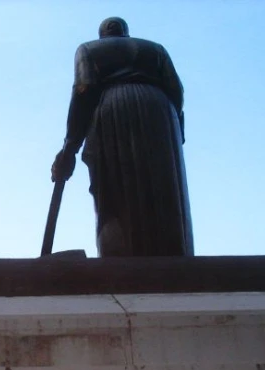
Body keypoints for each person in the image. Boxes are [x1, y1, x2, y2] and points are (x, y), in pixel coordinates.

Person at [51, 17, 193, 257]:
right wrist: (176, 126)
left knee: (115, 185)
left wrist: (70, 148)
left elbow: (83, 91)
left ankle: (119, 253)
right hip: (159, 111)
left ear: (102, 34)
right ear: (125, 33)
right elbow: (176, 91)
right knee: (162, 183)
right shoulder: (155, 49)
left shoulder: (88, 49)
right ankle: (171, 253)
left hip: (113, 109)